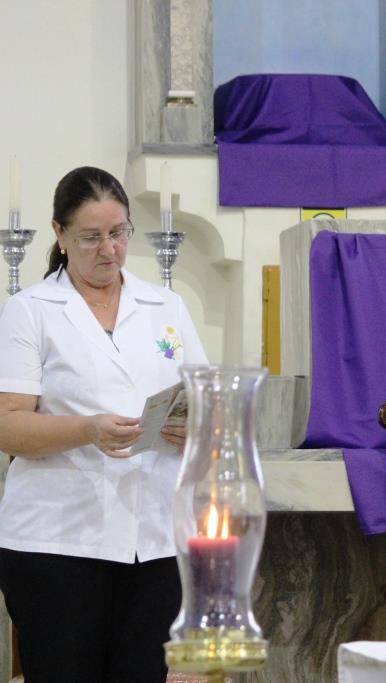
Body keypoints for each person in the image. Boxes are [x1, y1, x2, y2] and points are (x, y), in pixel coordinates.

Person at [0, 167, 208, 681]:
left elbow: (207, 400)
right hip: (58, 543)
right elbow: (7, 425)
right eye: (91, 237)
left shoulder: (166, 306)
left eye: (118, 233)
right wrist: (87, 429)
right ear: (60, 233)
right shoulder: (30, 311)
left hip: (156, 541)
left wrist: (195, 427)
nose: (109, 249)